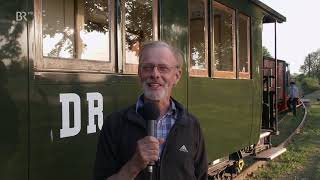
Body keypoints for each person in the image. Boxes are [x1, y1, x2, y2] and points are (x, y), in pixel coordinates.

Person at [93, 41, 208, 180]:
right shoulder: (114, 123)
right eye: (147, 67)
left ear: (176, 76)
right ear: (139, 73)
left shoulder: (191, 125)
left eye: (163, 68)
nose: (154, 74)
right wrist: (134, 165)